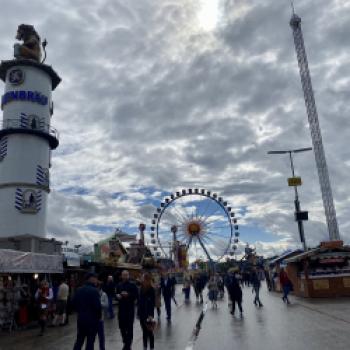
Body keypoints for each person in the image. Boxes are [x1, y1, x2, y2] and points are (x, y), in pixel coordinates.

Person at [73, 273, 102, 350]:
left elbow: (73, 304)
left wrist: (80, 311)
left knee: (79, 340)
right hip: (92, 320)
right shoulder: (94, 291)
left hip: (81, 319)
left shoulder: (79, 290)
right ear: (91, 279)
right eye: (95, 278)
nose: (96, 280)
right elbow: (98, 307)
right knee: (90, 341)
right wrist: (98, 318)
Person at [116, 270, 138, 350]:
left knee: (129, 328)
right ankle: (126, 342)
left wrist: (128, 295)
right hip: (121, 310)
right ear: (121, 276)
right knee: (121, 327)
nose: (125, 276)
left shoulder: (132, 285)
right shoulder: (119, 285)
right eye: (123, 275)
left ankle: (127, 345)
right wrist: (117, 296)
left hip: (129, 310)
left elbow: (136, 295)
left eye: (126, 275)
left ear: (128, 276)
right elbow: (117, 294)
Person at [138, 273, 156, 350]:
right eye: (142, 279)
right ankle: (145, 347)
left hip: (149, 314)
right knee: (144, 332)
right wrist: (138, 313)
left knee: (150, 332)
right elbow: (139, 301)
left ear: (147, 280)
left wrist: (151, 315)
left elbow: (152, 303)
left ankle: (151, 347)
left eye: (143, 279)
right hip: (142, 313)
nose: (142, 280)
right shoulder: (141, 288)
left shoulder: (151, 289)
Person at [98, 282, 109, 350]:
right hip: (92, 318)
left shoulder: (104, 294)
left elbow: (106, 305)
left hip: (100, 319)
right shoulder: (92, 294)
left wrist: (99, 303)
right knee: (91, 337)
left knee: (101, 336)